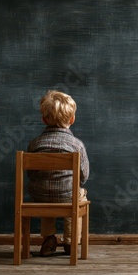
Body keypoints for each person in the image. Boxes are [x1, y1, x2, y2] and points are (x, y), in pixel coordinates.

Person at [27, 90, 90, 257]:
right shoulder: (76, 145)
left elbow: (31, 174)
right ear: (72, 119)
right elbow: (84, 175)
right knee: (78, 196)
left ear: (44, 119)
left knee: (46, 196)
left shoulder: (34, 144)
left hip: (39, 195)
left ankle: (48, 238)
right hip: (67, 195)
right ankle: (70, 241)